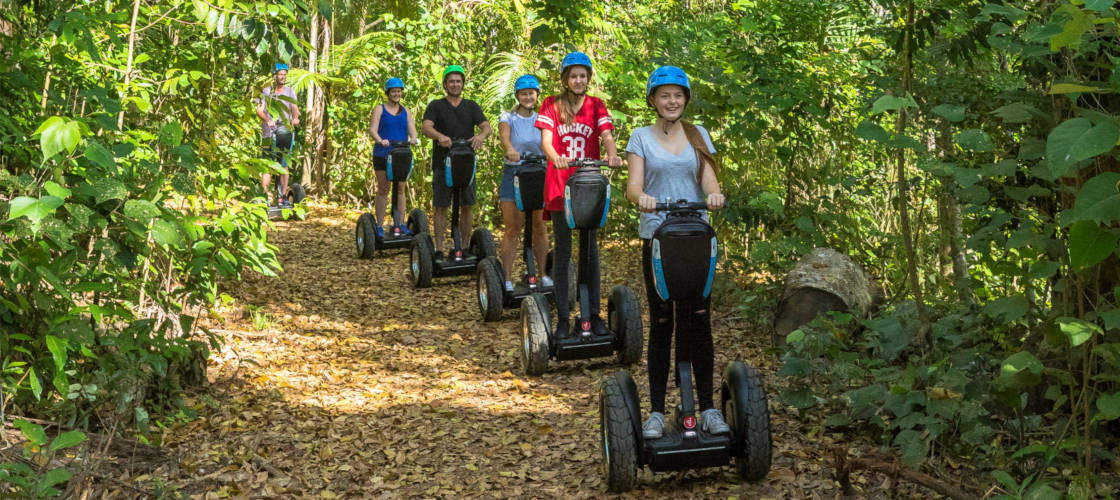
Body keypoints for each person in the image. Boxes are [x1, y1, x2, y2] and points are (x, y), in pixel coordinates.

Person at [625, 66, 728, 439]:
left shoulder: (698, 135)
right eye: (665, 95)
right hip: (658, 239)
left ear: (686, 99)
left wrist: (713, 195)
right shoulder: (640, 137)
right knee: (663, 323)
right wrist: (644, 199)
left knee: (699, 320)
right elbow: (632, 187)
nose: (672, 101)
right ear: (653, 99)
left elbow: (708, 179)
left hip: (696, 238)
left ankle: (708, 408)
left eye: (678, 95)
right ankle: (655, 411)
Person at [534, 51, 621, 337]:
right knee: (563, 252)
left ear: (588, 78)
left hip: (588, 184)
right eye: (573, 76)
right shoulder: (551, 104)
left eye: (583, 75)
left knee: (590, 252)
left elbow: (606, 134)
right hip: (560, 184)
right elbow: (546, 140)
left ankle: (593, 315)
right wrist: (555, 156)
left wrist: (612, 155)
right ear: (565, 79)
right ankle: (562, 318)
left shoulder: (596, 105)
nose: (579, 80)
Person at [421, 65, 492, 258]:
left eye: (458, 81)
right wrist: (440, 137)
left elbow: (487, 126)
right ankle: (438, 249)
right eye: (451, 81)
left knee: (467, 205)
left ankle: (465, 247)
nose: (455, 84)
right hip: (443, 164)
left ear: (462, 84)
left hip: (466, 164)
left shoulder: (471, 106)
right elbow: (426, 128)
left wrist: (480, 136)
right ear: (445, 84)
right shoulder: (436, 105)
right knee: (441, 205)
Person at [498, 74, 550, 292]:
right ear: (517, 96)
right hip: (515, 174)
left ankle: (544, 275)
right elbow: (505, 137)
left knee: (539, 225)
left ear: (537, 95)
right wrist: (510, 150)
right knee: (513, 227)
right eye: (523, 94)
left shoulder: (543, 118)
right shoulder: (508, 117)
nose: (528, 97)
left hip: (539, 174)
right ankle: (507, 279)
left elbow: (549, 142)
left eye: (531, 93)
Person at [369, 77, 420, 237]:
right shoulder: (380, 109)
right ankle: (379, 225)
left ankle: (399, 224)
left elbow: (413, 129)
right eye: (393, 91)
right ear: (388, 93)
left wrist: (413, 138)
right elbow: (372, 129)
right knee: (384, 188)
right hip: (383, 153)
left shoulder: (406, 111)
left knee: (401, 188)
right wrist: (379, 140)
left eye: (399, 91)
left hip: (401, 154)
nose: (396, 94)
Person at [256, 62, 300, 207]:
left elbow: (294, 109)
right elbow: (259, 110)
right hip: (270, 134)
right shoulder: (266, 92)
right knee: (268, 165)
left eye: (284, 75)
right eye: (280, 74)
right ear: (275, 75)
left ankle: (282, 196)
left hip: (285, 133)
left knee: (284, 165)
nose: (282, 77)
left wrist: (295, 118)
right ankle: (265, 196)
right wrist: (268, 119)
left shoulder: (290, 92)